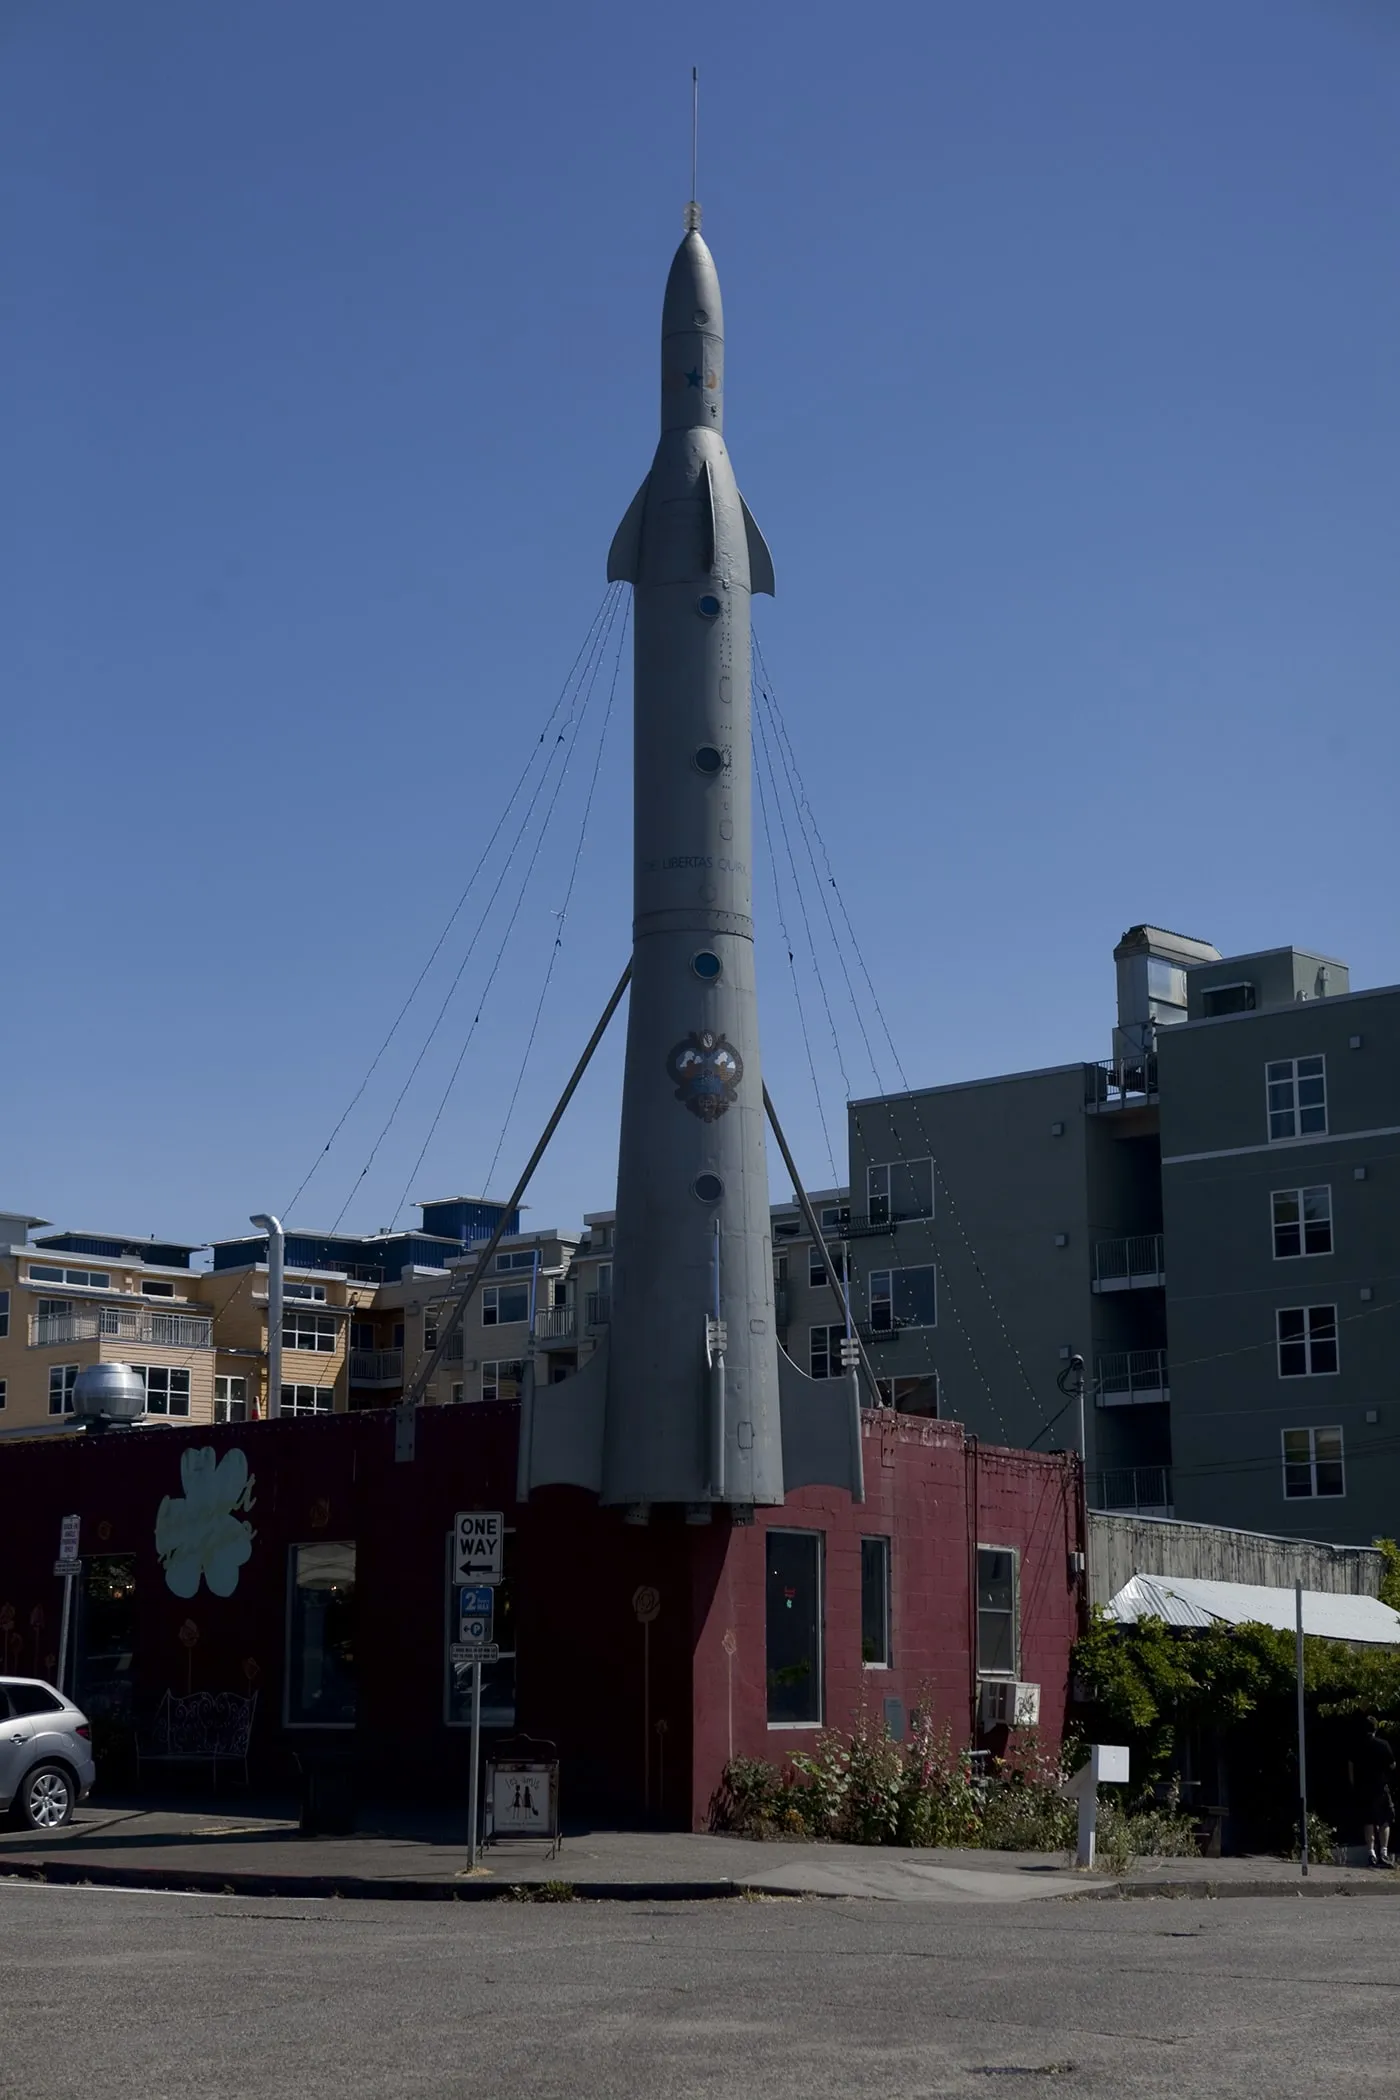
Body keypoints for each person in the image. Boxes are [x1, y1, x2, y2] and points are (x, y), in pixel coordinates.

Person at [1354, 1715, 1396, 1867]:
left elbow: (1351, 1767)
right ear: (1376, 1728)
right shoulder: (1383, 1745)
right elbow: (1392, 1765)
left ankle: (1370, 1853)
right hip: (1380, 1786)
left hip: (1363, 1787)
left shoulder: (1358, 1746)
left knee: (1368, 1820)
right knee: (1385, 1819)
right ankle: (1383, 1853)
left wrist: (1355, 1784)